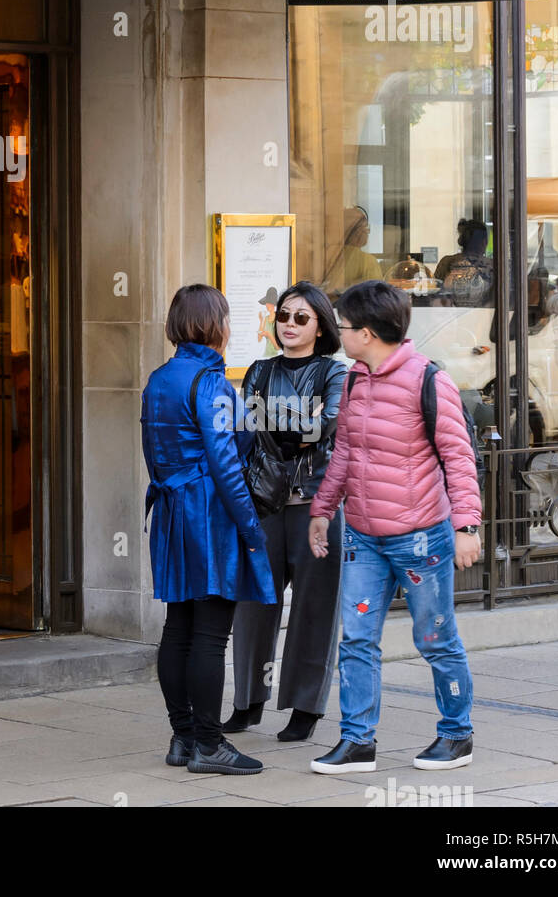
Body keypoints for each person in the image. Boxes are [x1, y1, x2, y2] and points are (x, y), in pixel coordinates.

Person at [309, 280, 483, 774]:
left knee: (435, 639)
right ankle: (357, 740)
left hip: (421, 537)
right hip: (363, 536)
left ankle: (456, 734)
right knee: (357, 638)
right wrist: (323, 510)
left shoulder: (430, 380)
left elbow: (458, 457)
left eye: (341, 325)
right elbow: (344, 452)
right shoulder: (352, 379)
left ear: (365, 332)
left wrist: (466, 525)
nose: (337, 332)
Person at [141, 284, 276, 777]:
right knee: (211, 634)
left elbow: (153, 453)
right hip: (209, 514)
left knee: (179, 625)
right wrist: (252, 531)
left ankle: (183, 737)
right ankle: (210, 743)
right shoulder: (212, 383)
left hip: (172, 511)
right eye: (225, 318)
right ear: (214, 325)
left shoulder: (159, 379)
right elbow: (226, 467)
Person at [225, 281, 347, 743]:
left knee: (316, 609)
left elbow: (326, 427)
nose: (289, 324)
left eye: (301, 317)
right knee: (254, 605)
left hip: (317, 504)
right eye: (283, 316)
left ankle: (304, 706)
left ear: (320, 326)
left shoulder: (335, 374)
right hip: (263, 502)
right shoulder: (258, 368)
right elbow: (247, 427)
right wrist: (298, 423)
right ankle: (248, 701)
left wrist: (281, 423)